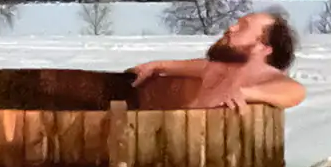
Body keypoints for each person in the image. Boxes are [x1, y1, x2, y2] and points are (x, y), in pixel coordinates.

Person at [128, 10, 306, 110]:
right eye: (237, 23)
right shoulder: (218, 68)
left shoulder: (259, 74)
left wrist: (246, 93)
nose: (231, 28)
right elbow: (193, 65)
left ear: (263, 48)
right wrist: (157, 65)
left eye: (243, 27)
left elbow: (295, 91)